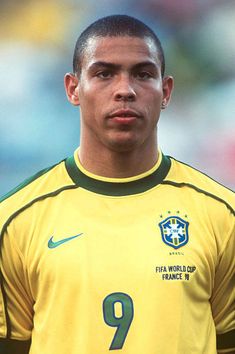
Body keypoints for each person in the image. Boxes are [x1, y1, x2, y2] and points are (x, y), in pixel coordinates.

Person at [0, 15, 234, 354]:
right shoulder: (15, 220)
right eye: (104, 73)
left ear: (165, 91)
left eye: (143, 74)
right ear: (73, 89)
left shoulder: (222, 215)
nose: (125, 90)